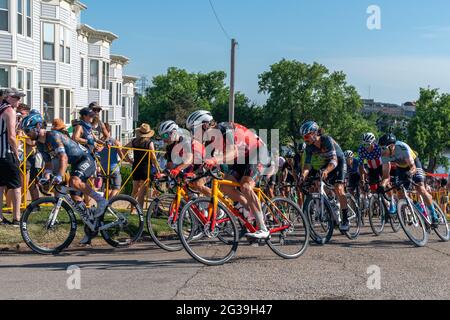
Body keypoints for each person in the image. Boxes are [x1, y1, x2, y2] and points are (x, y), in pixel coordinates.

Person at [21, 111, 109, 244]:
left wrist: (59, 176)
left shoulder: (53, 135)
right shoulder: (40, 144)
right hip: (76, 163)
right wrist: (46, 176)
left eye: (28, 131)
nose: (26, 134)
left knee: (74, 181)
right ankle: (91, 227)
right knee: (75, 197)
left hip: (86, 159)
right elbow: (49, 164)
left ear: (38, 126)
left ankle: (101, 200)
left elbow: (63, 157)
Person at [193, 110, 271, 239]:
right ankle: (249, 211)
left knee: (245, 186)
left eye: (195, 130)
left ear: (205, 125)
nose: (194, 134)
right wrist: (194, 174)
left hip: (257, 151)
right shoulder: (209, 141)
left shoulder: (225, 128)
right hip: (242, 158)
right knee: (225, 187)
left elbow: (232, 152)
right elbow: (206, 162)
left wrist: (213, 160)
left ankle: (263, 228)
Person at [378, 133, 439, 228]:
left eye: (383, 148)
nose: (381, 151)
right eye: (380, 148)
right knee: (400, 194)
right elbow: (386, 176)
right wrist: (382, 186)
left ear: (391, 146)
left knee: (420, 188)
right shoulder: (384, 155)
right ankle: (418, 207)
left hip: (414, 164)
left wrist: (410, 174)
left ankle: (434, 216)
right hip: (401, 168)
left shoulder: (402, 147)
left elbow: (413, 167)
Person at [300, 121, 350, 232]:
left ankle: (346, 219)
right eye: (303, 137)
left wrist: (327, 170)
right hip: (327, 162)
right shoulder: (309, 147)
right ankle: (332, 203)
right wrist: (302, 176)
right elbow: (307, 165)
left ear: (314, 133)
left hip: (339, 161)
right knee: (320, 183)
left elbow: (334, 160)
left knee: (339, 188)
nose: (305, 139)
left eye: (307, 136)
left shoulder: (326, 140)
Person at [0, 89, 24, 226]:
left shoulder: (1, 109)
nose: (18, 100)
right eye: (16, 97)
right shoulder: (10, 111)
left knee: (1, 186)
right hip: (7, 153)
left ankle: (0, 217)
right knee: (16, 186)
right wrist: (16, 154)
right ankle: (17, 218)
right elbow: (11, 136)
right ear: (8, 97)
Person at [125, 123, 159, 209]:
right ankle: (139, 211)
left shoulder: (134, 142)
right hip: (146, 168)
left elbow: (123, 149)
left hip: (136, 166)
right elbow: (153, 157)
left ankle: (132, 209)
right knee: (142, 193)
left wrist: (128, 160)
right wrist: (157, 168)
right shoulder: (149, 143)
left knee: (134, 190)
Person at [98, 123, 126, 198]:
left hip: (103, 168)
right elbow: (121, 155)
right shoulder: (115, 141)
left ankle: (103, 204)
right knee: (116, 188)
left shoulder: (99, 142)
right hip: (114, 168)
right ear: (109, 130)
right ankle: (108, 203)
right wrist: (126, 158)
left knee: (107, 188)